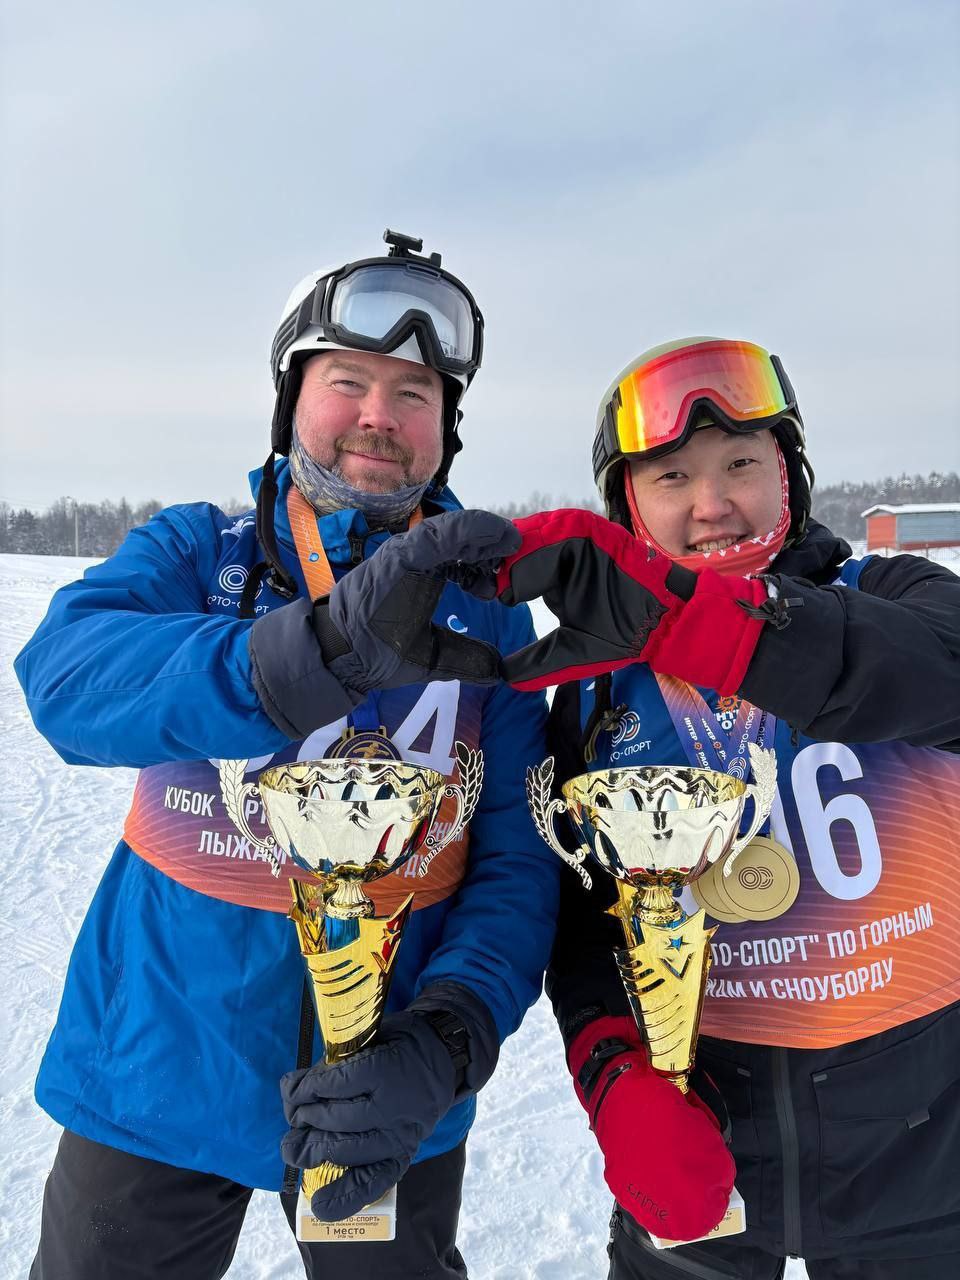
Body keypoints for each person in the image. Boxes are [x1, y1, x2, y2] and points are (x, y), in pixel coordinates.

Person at [15, 230, 560, 1280]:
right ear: (291, 398)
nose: (379, 414)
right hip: (157, 1065)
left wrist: (450, 1034)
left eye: (415, 393)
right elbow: (66, 681)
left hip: (386, 1088)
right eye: (347, 381)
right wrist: (309, 656)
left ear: (446, 427)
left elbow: (518, 862)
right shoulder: (198, 550)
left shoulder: (488, 610)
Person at [486, 338, 960, 1278]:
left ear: (788, 475)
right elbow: (584, 928)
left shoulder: (891, 596)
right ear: (629, 506)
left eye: (741, 462)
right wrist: (614, 1075)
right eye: (672, 477)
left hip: (926, 1168)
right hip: (704, 1142)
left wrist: (703, 623)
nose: (711, 504)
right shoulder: (595, 695)